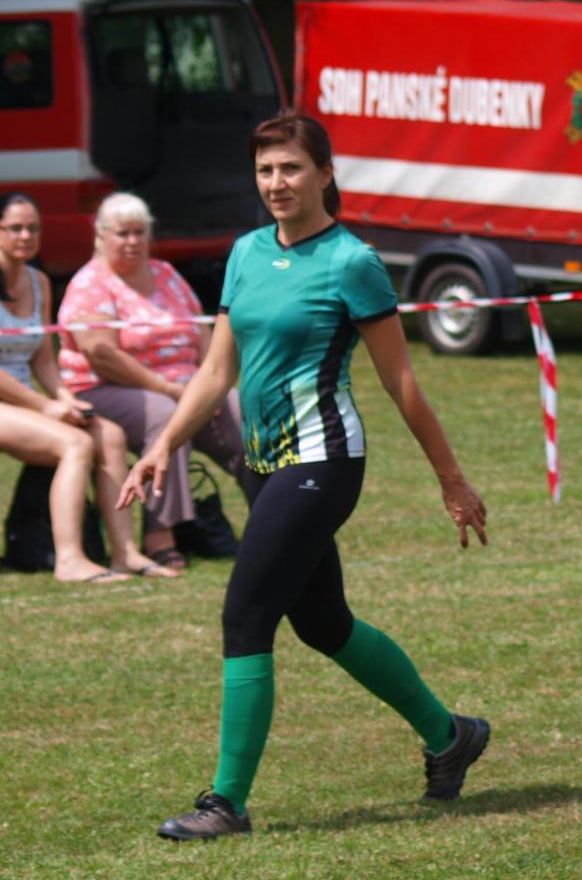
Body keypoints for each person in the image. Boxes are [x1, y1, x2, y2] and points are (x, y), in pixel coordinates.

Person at [119, 113, 490, 840]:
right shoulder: (247, 252)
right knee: (324, 624)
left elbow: (401, 381)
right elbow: (216, 369)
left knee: (246, 614)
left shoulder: (352, 262)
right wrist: (164, 444)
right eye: (265, 170)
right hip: (264, 465)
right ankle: (451, 735)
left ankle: (226, 803)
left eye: (290, 168)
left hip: (323, 461)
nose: (276, 183)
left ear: (324, 173)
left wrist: (451, 479)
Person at [58, 193, 254, 570]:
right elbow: (101, 353)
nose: (132, 241)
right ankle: (160, 535)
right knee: (167, 417)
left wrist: (209, 384)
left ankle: (269, 520)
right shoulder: (91, 283)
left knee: (240, 407)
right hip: (105, 387)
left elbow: (202, 332)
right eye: (123, 234)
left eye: (139, 233)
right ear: (101, 236)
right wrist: (169, 389)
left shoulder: (165, 273)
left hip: (184, 384)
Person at [0, 193, 174, 583]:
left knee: (109, 436)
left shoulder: (38, 282)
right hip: (13, 401)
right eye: (15, 228)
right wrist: (44, 406)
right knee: (76, 444)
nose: (25, 236)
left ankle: (125, 553)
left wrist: (64, 397)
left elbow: (44, 359)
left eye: (33, 228)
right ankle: (69, 560)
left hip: (22, 401)